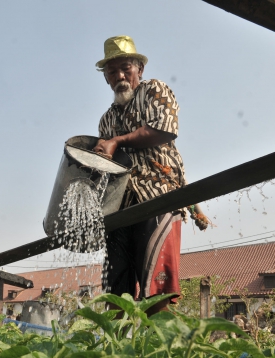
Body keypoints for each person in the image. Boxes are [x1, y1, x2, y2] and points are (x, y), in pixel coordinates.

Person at [92, 35, 186, 315]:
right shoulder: (106, 119)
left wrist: (117, 141)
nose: (120, 76)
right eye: (112, 71)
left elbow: (165, 129)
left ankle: (160, 346)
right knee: (117, 293)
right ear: (106, 78)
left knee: (155, 291)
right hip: (119, 207)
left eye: (126, 68)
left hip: (158, 195)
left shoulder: (154, 91)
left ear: (139, 70)